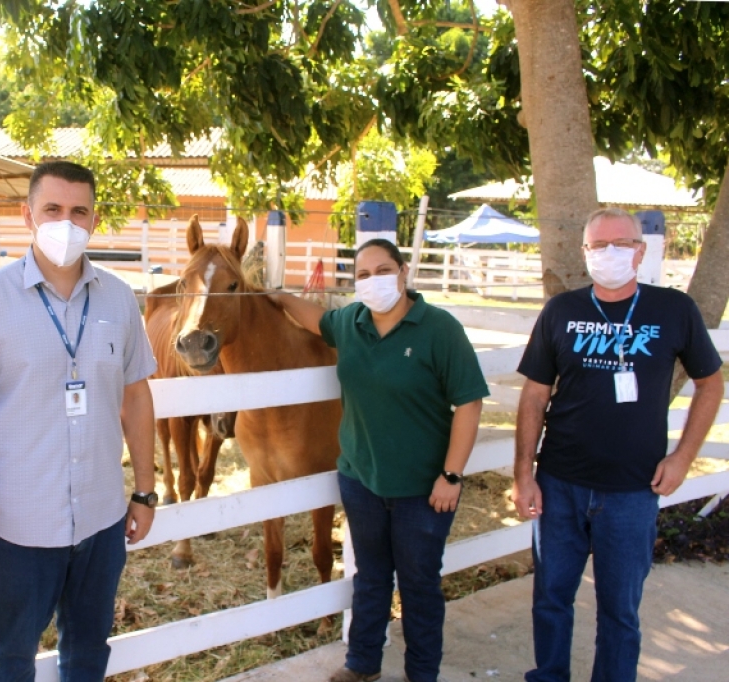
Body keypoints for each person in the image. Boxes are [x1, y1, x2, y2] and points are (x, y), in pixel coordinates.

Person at [0, 160, 158, 682]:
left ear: (94, 219)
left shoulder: (118, 299)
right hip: (18, 528)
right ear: (27, 215)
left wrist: (145, 492)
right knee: (11, 657)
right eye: (53, 209)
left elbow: (137, 397)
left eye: (79, 211)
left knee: (87, 653)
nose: (67, 222)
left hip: (101, 520)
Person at [513, 207, 724, 681]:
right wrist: (524, 473)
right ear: (585, 252)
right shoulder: (562, 311)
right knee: (550, 599)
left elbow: (711, 383)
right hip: (560, 484)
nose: (609, 254)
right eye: (598, 245)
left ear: (640, 251)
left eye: (621, 244)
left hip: (632, 490)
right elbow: (534, 394)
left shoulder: (673, 310)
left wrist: (683, 458)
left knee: (620, 611)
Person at [274, 239, 488, 682]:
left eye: (383, 270)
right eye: (364, 275)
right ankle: (362, 664)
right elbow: (315, 319)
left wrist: (451, 475)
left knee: (419, 585)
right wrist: (275, 295)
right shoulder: (350, 322)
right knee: (369, 577)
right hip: (362, 480)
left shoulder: (439, 328)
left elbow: (469, 403)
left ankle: (422, 673)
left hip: (423, 488)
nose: (374, 281)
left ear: (404, 272)